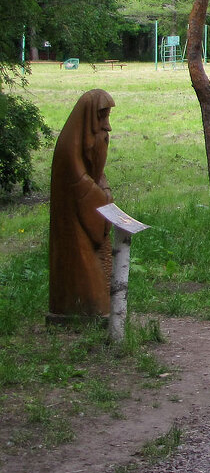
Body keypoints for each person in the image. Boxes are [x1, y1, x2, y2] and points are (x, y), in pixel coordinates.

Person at [48, 89, 115, 320]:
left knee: (98, 277)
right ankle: (81, 308)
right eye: (102, 116)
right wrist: (101, 199)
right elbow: (79, 185)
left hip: (88, 213)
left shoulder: (91, 138)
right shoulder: (69, 150)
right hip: (74, 226)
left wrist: (104, 191)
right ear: (88, 117)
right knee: (86, 275)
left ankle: (93, 307)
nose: (107, 126)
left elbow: (96, 176)